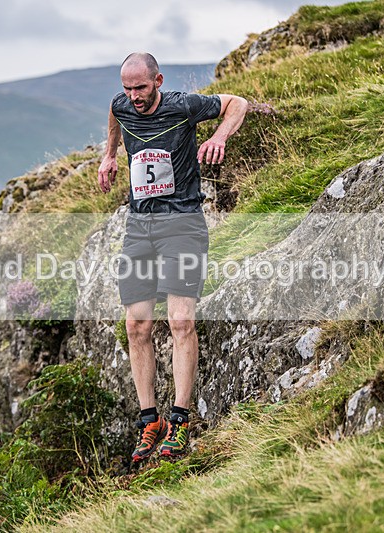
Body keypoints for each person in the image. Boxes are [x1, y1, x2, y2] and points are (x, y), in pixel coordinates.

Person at [98, 52, 248, 462]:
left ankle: (180, 422)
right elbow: (114, 115)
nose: (135, 97)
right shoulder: (121, 104)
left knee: (181, 320)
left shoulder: (183, 105)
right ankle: (151, 421)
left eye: (141, 88)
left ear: (158, 80)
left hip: (182, 224)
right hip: (139, 228)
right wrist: (109, 155)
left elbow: (238, 103)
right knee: (136, 325)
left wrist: (218, 137)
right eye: (128, 89)